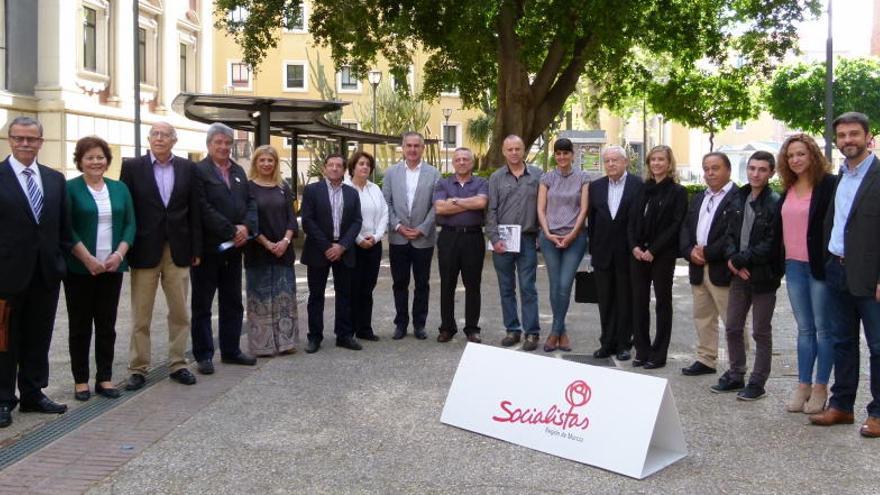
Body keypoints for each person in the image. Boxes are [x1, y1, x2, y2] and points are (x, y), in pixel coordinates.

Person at [810, 112, 880, 438]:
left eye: (854, 134)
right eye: (842, 135)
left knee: (878, 346)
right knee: (843, 342)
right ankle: (842, 406)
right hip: (837, 271)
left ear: (868, 137)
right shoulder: (840, 177)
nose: (847, 140)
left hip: (870, 277)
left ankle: (878, 413)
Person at [0, 116, 71, 428]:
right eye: (19, 138)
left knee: (38, 337)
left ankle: (33, 393)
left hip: (45, 274)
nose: (25, 144)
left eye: (31, 139)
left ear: (41, 142)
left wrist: (60, 264)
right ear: (10, 140)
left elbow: (63, 228)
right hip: (5, 276)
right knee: (4, 341)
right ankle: (3, 399)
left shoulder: (55, 180)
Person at [121, 121, 201, 390]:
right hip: (144, 249)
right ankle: (138, 367)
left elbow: (195, 211)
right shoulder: (132, 168)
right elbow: (126, 209)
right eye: (155, 134)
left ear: (174, 141)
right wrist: (125, 246)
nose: (159, 138)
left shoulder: (188, 168)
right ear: (149, 138)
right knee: (140, 314)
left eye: (165, 135)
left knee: (179, 312)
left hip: (178, 250)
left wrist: (196, 250)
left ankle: (178, 363)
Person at [64, 136, 135, 401]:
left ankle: (104, 378)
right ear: (80, 161)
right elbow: (66, 228)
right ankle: (80, 380)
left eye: (100, 157)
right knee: (80, 326)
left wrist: (119, 254)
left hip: (111, 267)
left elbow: (130, 224)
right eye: (90, 157)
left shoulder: (119, 189)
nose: (96, 162)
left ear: (107, 160)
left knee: (107, 325)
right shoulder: (70, 188)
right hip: (80, 269)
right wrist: (87, 259)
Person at [710, 151, 782, 401]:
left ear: (771, 172)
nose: (756, 174)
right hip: (738, 273)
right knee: (732, 327)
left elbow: (771, 243)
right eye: (752, 168)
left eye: (762, 169)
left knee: (761, 331)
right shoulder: (739, 197)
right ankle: (735, 373)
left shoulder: (775, 202)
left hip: (763, 276)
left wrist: (742, 259)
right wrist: (732, 260)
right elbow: (729, 234)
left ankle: (757, 381)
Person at [191, 123, 258, 374]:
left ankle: (231, 350)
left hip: (234, 250)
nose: (223, 147)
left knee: (232, 302)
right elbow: (202, 207)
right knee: (203, 305)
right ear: (209, 145)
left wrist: (246, 228)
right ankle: (204, 355)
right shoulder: (198, 171)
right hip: (208, 250)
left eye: (227, 143)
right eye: (218, 142)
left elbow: (250, 202)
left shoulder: (239, 171)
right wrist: (231, 230)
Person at [777, 134, 836, 413]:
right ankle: (803, 385)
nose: (795, 160)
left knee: (824, 329)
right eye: (790, 156)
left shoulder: (828, 186)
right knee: (804, 330)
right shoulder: (787, 187)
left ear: (812, 154)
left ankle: (820, 386)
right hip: (794, 266)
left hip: (819, 267)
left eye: (801, 154)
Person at [679, 152, 739, 376]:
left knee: (732, 320)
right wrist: (688, 251)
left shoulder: (737, 198)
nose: (710, 173)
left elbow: (734, 233)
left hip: (722, 267)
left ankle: (737, 366)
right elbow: (686, 227)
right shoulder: (698, 197)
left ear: (728, 170)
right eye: (706, 168)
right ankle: (706, 358)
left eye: (715, 168)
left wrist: (708, 252)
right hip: (697, 266)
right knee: (703, 316)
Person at [627, 145, 687, 369]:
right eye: (653, 160)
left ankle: (658, 353)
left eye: (661, 159)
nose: (656, 163)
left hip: (662, 254)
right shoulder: (642, 189)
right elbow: (631, 221)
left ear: (669, 163)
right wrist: (634, 246)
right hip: (638, 253)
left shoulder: (677, 192)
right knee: (639, 303)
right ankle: (642, 350)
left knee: (663, 303)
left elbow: (675, 225)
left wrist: (654, 250)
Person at [301, 154, 363, 353]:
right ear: (324, 168)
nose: (335, 168)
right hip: (319, 250)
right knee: (316, 295)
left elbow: (357, 222)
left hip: (344, 250)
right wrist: (327, 246)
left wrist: (342, 246)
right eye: (331, 165)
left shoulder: (352, 193)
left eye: (339, 165)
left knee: (345, 294)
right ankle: (315, 337)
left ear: (344, 169)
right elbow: (308, 221)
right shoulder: (312, 190)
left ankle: (344, 335)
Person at [382, 132, 441, 340]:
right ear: (403, 147)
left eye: (417, 146)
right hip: (398, 238)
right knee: (400, 283)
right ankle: (401, 324)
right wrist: (397, 226)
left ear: (423, 148)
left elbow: (437, 205)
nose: (413, 149)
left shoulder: (434, 174)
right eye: (409, 145)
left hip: (423, 238)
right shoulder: (391, 173)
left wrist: (422, 228)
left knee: (422, 283)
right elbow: (385, 203)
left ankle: (419, 325)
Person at [588, 145, 643, 361]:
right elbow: (592, 220)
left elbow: (640, 220)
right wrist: (592, 249)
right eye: (607, 161)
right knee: (605, 300)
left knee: (625, 299)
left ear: (625, 162)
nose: (611, 164)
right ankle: (607, 342)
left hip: (627, 252)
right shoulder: (596, 186)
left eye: (615, 160)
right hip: (602, 252)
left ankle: (623, 344)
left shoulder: (638, 185)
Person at [488, 135, 543, 351]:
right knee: (506, 287)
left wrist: (541, 234)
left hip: (528, 239)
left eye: (517, 148)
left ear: (524, 150)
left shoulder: (537, 175)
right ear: (503, 151)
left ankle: (532, 332)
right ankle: (512, 329)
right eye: (509, 149)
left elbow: (544, 207)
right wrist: (494, 238)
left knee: (528, 287)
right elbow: (491, 210)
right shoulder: (496, 178)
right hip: (502, 241)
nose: (513, 153)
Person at [245, 145, 299, 356]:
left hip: (283, 252)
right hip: (258, 251)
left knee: (284, 298)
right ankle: (262, 345)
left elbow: (291, 219)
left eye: (271, 160)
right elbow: (248, 220)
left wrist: (285, 241)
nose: (266, 164)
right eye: (262, 160)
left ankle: (286, 342)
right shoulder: (248, 188)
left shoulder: (283, 187)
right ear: (256, 163)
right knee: (260, 299)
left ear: (276, 164)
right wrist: (267, 243)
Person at [537, 138, 589, 352]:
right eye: (558, 153)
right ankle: (561, 331)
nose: (561, 157)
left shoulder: (583, 178)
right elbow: (541, 208)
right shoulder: (546, 177)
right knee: (555, 284)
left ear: (572, 154)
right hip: (549, 238)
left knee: (565, 284)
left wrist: (571, 235)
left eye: (565, 153)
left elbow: (584, 209)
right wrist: (548, 233)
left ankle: (555, 332)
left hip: (574, 238)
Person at [433, 147, 489, 343]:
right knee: (447, 283)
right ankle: (447, 327)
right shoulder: (443, 183)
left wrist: (454, 201)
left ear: (472, 163)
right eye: (458, 159)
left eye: (466, 159)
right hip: (448, 238)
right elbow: (439, 207)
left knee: (473, 284)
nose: (462, 162)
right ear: (453, 162)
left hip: (473, 238)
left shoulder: (481, 182)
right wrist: (467, 203)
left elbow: (481, 203)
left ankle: (472, 328)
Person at [346, 151, 387, 342]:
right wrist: (359, 238)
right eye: (361, 164)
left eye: (368, 165)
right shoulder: (346, 188)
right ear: (353, 167)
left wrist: (377, 236)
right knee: (352, 287)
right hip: (353, 245)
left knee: (368, 287)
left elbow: (384, 213)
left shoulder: (375, 189)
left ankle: (365, 328)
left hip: (374, 244)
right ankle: (349, 329)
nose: (364, 167)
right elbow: (345, 219)